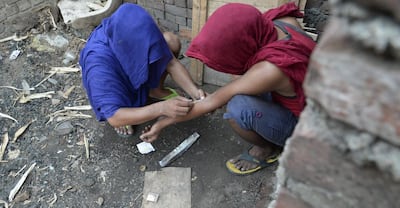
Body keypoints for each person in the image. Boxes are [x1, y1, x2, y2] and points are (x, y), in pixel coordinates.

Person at [140, 2, 316, 175]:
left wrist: (162, 122)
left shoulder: (269, 70)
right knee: (236, 86)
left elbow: (211, 102)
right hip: (308, 100)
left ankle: (268, 149)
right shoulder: (280, 22)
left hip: (306, 130)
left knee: (237, 108)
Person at [79, 3, 205, 137]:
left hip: (127, 54)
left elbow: (171, 62)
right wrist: (162, 109)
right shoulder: (99, 66)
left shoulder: (131, 27)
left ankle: (155, 90)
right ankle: (127, 109)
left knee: (170, 41)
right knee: (117, 113)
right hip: (117, 84)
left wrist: (195, 92)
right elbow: (113, 116)